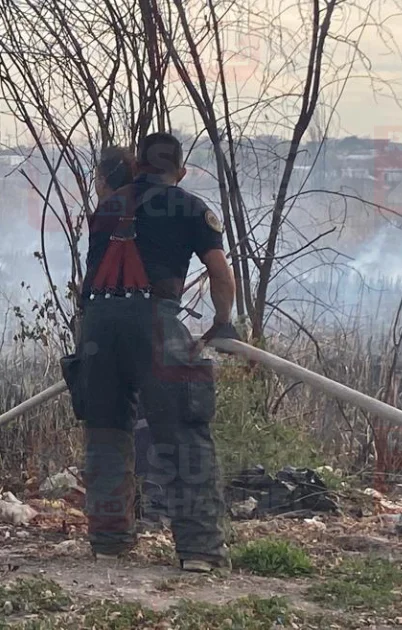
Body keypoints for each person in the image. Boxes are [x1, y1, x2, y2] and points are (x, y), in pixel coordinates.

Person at [73, 132, 240, 573]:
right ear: (180, 170)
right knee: (184, 436)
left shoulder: (107, 208)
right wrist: (222, 323)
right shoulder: (189, 206)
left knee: (106, 433)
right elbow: (220, 274)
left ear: (138, 166)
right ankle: (200, 552)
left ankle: (108, 543)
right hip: (154, 323)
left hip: (97, 326)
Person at [90, 147, 167, 528]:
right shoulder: (163, 210)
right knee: (155, 420)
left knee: (112, 429)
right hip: (157, 332)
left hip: (111, 333)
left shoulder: (107, 215)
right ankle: (152, 508)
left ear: (105, 180)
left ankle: (119, 526)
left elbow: (93, 284)